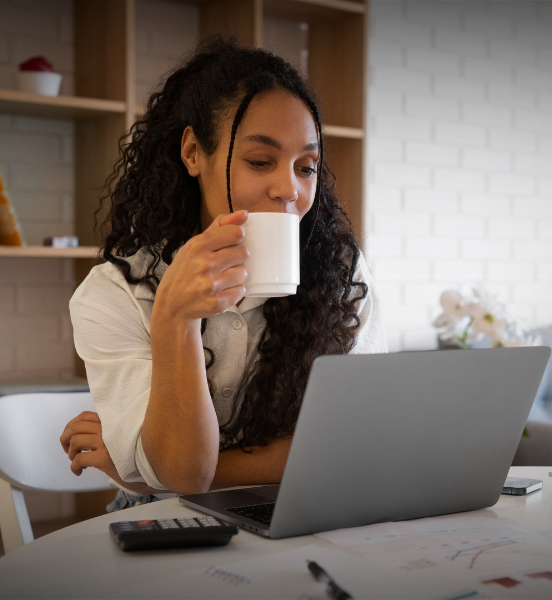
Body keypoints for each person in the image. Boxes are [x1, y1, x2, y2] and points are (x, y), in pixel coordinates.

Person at [59, 37, 386, 511]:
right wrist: (175, 316)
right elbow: (185, 474)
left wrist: (148, 472)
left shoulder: (340, 276)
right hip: (163, 524)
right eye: (259, 161)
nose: (289, 190)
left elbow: (357, 446)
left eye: (307, 167)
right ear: (193, 152)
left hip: (300, 507)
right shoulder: (116, 294)